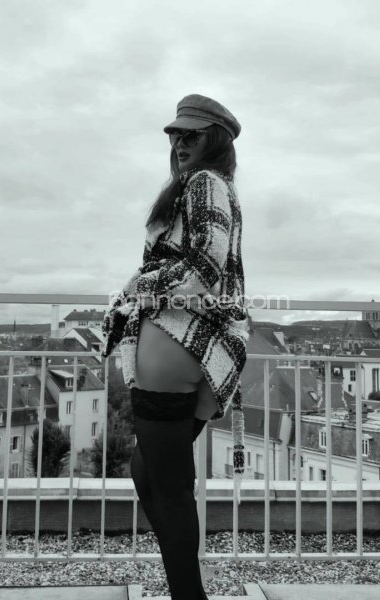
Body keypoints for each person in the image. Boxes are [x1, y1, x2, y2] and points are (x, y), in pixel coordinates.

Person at [101, 93, 249, 600]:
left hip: (176, 342)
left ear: (216, 140)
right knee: (150, 472)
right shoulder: (206, 186)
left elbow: (205, 266)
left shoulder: (205, 183)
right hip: (181, 346)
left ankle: (189, 596)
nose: (180, 143)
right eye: (175, 135)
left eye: (192, 135)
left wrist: (136, 288)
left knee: (168, 489)